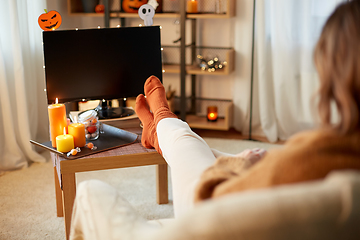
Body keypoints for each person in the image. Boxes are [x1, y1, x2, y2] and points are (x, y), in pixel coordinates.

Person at [134, 0, 360, 218]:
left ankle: (161, 121)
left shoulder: (311, 160)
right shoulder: (340, 156)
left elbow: (205, 206)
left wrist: (240, 165)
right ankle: (159, 130)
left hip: (200, 212)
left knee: (184, 144)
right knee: (202, 150)